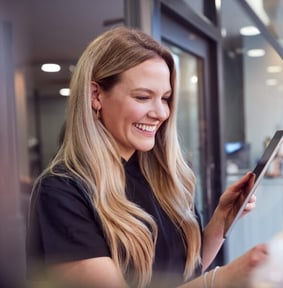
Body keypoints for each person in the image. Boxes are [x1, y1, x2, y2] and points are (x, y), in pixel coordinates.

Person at [26, 26, 268, 288]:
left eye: (165, 98)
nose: (161, 113)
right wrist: (222, 279)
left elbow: (184, 271)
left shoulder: (163, 176)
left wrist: (221, 220)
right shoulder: (62, 191)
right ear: (95, 95)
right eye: (143, 97)